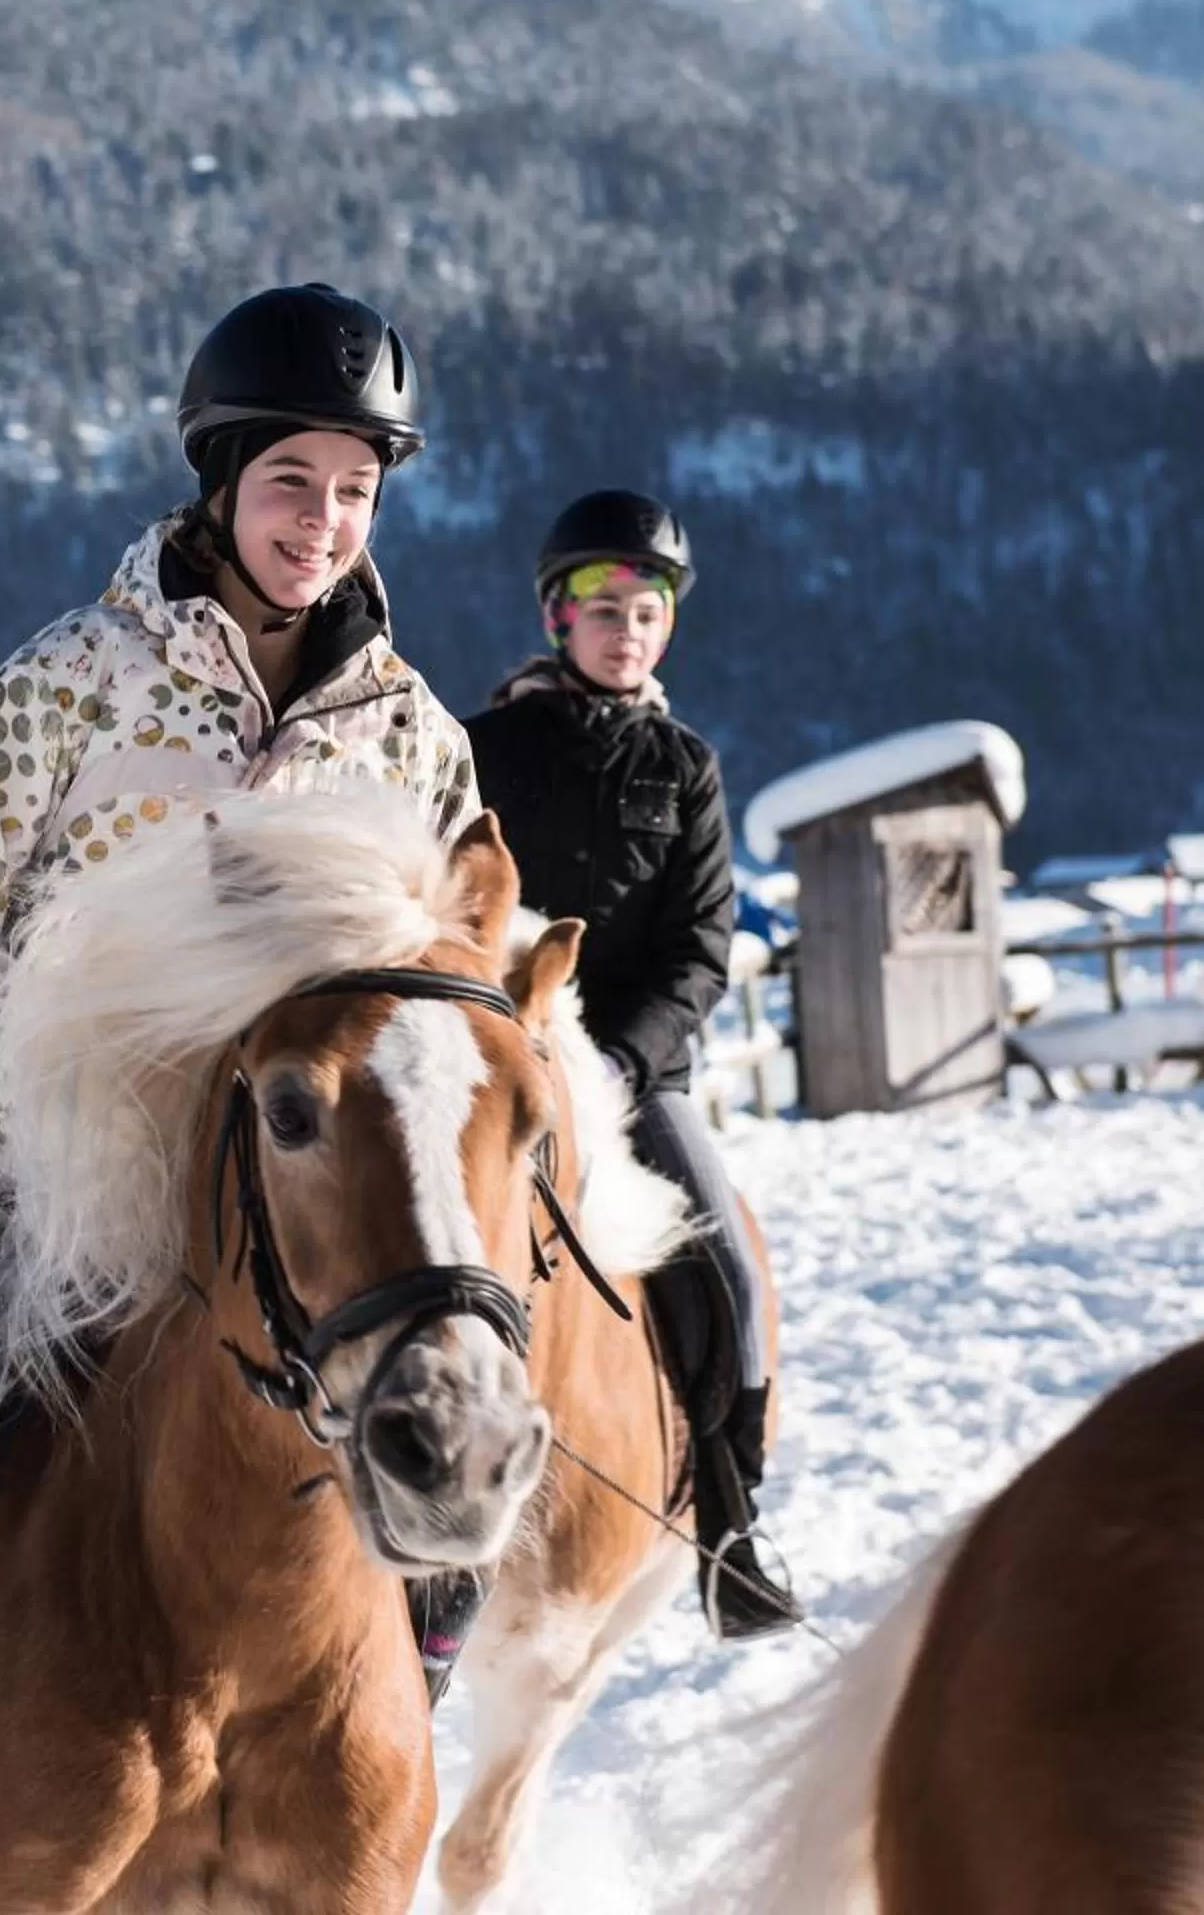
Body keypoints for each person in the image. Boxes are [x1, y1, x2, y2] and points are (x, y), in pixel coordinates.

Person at [0, 284, 482, 1913]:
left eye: (354, 491)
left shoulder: (413, 741)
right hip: (30, 1175)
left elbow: (462, 978)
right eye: (291, 484)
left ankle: (376, 1781)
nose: (320, 523)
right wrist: (54, 1120)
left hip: (302, 1198)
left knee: (454, 1474)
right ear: (220, 477)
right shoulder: (74, 677)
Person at [461, 488, 802, 1642]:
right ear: (558, 618)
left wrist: (614, 1061)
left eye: (646, 609)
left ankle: (731, 1518)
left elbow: (703, 946)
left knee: (730, 1274)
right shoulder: (484, 747)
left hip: (630, 1073)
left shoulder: (686, 767)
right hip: (497, 1051)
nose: (627, 628)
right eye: (604, 607)